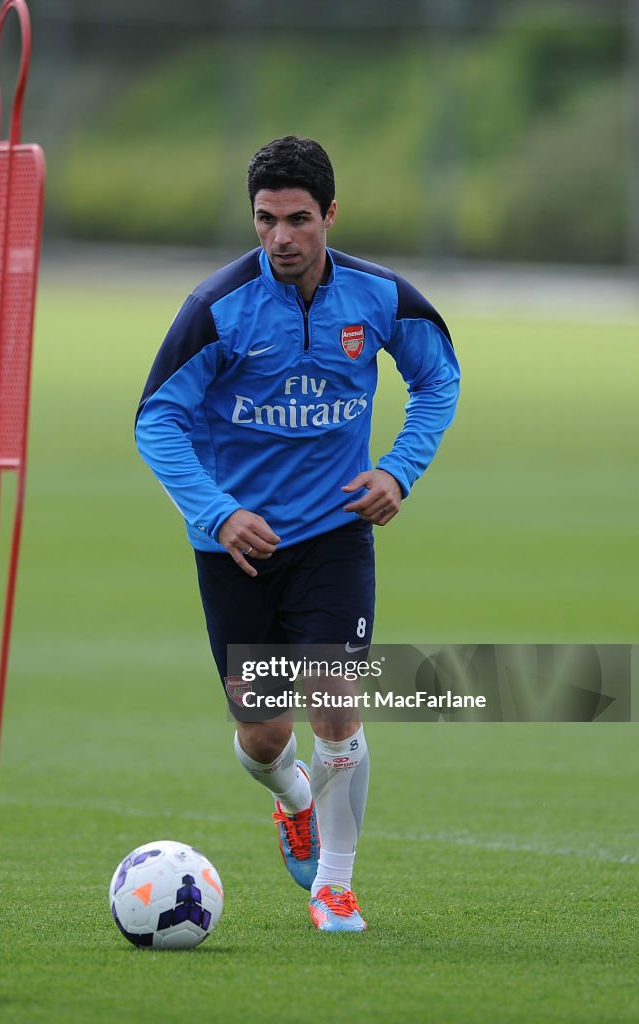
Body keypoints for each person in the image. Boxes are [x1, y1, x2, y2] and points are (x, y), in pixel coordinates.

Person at [135, 136, 460, 932]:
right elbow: (157, 420)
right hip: (238, 549)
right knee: (261, 732)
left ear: (330, 217)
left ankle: (336, 887)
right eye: (265, 219)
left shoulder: (379, 299)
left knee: (337, 708)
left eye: (298, 219)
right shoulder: (216, 309)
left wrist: (398, 469)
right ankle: (293, 798)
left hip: (332, 536)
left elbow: (438, 377)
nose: (280, 236)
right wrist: (217, 511)